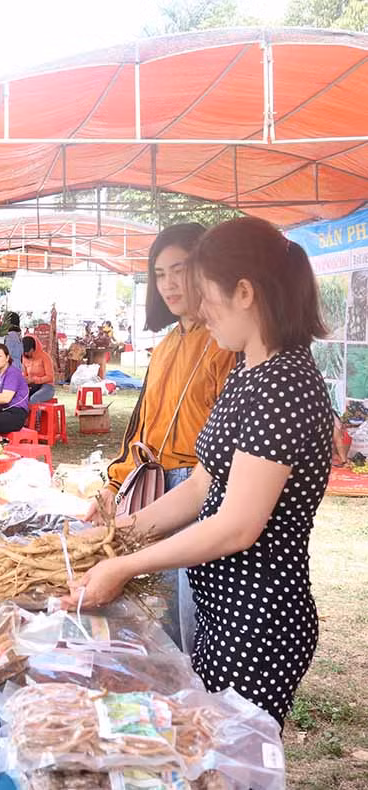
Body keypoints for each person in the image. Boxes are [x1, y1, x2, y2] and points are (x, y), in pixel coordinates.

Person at [65, 217, 333, 728]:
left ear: (245, 292)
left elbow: (236, 524)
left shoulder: (284, 385)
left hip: (258, 622)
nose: (200, 308)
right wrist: (114, 537)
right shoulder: (248, 368)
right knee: (202, 750)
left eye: (206, 294)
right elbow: (204, 485)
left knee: (230, 764)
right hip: (222, 612)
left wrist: (124, 567)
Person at [84, 223, 235, 652]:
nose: (169, 284)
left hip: (201, 486)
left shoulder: (226, 342)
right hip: (154, 484)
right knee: (161, 605)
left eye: (180, 270)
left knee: (195, 609)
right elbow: (142, 425)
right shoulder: (168, 344)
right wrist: (115, 483)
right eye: (160, 273)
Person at [22, 336, 55, 404]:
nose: (26, 354)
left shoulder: (45, 357)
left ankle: (36, 415)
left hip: (47, 387)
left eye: (28, 351)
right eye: (24, 352)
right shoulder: (24, 358)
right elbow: (24, 375)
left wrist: (34, 380)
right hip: (32, 386)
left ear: (34, 348)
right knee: (19, 398)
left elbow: (50, 377)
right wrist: (25, 379)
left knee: (34, 399)